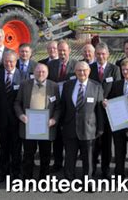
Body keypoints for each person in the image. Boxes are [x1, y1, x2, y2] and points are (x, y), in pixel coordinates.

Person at [14, 63, 60, 179]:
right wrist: (21, 116)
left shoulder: (54, 86)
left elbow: (59, 106)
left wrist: (54, 119)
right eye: (38, 71)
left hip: (47, 127)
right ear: (33, 72)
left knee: (45, 156)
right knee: (28, 155)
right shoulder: (25, 85)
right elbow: (17, 103)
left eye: (43, 72)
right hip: (28, 126)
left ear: (47, 73)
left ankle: (43, 179)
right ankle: (27, 178)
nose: (40, 74)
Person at [60, 61, 104, 180]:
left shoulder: (96, 86)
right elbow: (62, 106)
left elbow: (99, 110)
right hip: (70, 128)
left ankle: (87, 180)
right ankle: (68, 179)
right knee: (70, 157)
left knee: (88, 159)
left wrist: (100, 128)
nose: (82, 73)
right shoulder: (67, 85)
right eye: (79, 70)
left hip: (88, 129)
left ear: (89, 71)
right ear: (75, 72)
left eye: (84, 70)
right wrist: (61, 125)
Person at [0, 51, 27, 183]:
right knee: (3, 147)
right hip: (1, 119)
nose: (9, 64)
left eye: (11, 61)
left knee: (16, 148)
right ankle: (3, 172)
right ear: (3, 61)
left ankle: (16, 173)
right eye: (6, 61)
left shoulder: (23, 76)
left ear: (16, 61)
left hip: (17, 119)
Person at [89, 42, 121, 179]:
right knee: (94, 141)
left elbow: (118, 88)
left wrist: (110, 100)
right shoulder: (89, 68)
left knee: (107, 142)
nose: (101, 56)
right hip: (93, 111)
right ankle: (91, 169)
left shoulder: (114, 69)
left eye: (103, 54)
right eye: (98, 54)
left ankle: (106, 169)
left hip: (109, 110)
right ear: (95, 55)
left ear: (108, 54)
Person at [47, 40, 77, 172]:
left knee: (70, 137)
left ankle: (70, 164)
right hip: (55, 105)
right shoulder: (51, 64)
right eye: (60, 51)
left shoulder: (76, 65)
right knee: (57, 136)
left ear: (69, 51)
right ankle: (57, 162)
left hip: (70, 106)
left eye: (64, 50)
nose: (62, 53)